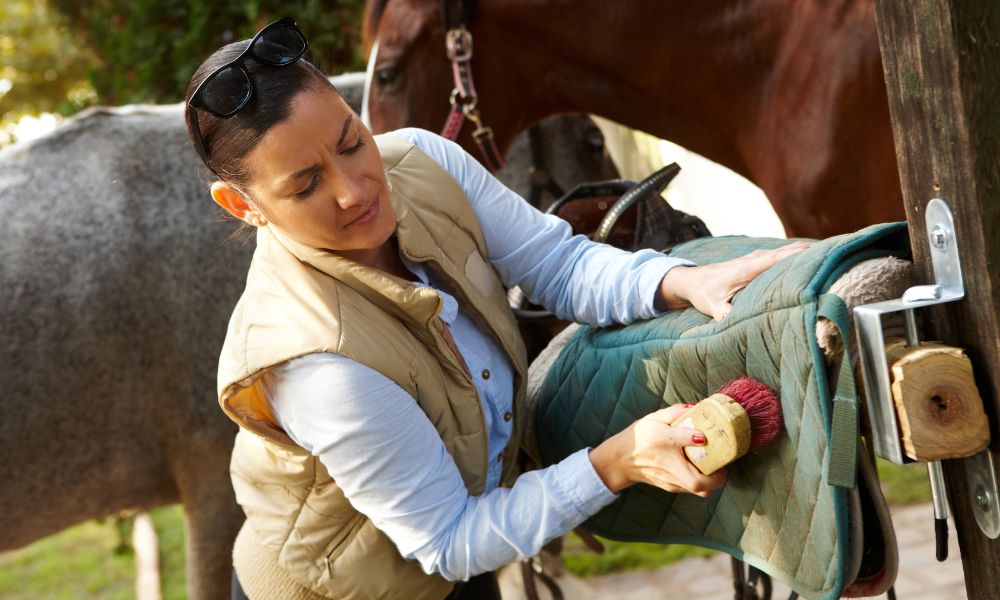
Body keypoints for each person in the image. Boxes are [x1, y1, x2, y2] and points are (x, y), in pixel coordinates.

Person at [185, 18, 809, 600]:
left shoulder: (422, 162)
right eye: (305, 185)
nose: (353, 189)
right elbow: (451, 540)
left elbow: (556, 264)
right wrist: (617, 462)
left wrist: (684, 280)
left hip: (467, 554)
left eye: (351, 142)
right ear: (243, 207)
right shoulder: (318, 364)